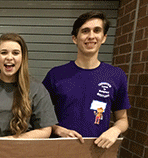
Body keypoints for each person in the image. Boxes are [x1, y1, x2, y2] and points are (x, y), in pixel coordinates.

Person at [43, 11, 130, 149]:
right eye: (85, 31)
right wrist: (57, 129)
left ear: (104, 37)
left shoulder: (116, 75)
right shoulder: (56, 75)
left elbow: (123, 119)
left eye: (97, 30)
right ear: (75, 38)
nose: (91, 36)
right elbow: (39, 117)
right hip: (59, 150)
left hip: (97, 151)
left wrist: (115, 130)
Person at [0, 33, 57, 138]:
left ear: (22, 58)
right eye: (4, 53)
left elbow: (45, 130)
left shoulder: (37, 89)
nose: (9, 57)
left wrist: (11, 140)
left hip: (22, 150)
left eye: (15, 53)